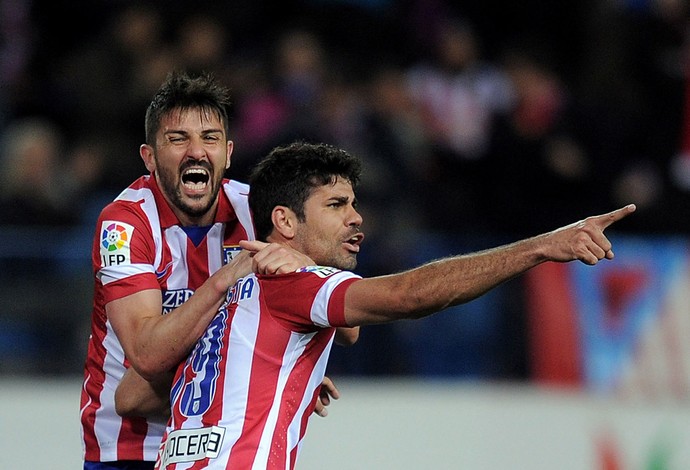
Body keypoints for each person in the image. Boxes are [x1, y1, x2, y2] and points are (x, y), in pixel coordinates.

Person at [114, 140, 636, 469]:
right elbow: (409, 296)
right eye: (337, 206)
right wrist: (540, 247)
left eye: (355, 204)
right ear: (286, 222)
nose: (357, 218)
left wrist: (258, 390)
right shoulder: (295, 279)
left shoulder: (218, 295)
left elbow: (132, 397)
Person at [79, 73, 357, 470]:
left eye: (209, 138)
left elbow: (346, 328)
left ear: (227, 153)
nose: (196, 151)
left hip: (218, 444)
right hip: (128, 446)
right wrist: (227, 284)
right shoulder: (124, 225)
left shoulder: (256, 209)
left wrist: (307, 268)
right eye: (178, 139)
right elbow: (147, 354)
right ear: (150, 157)